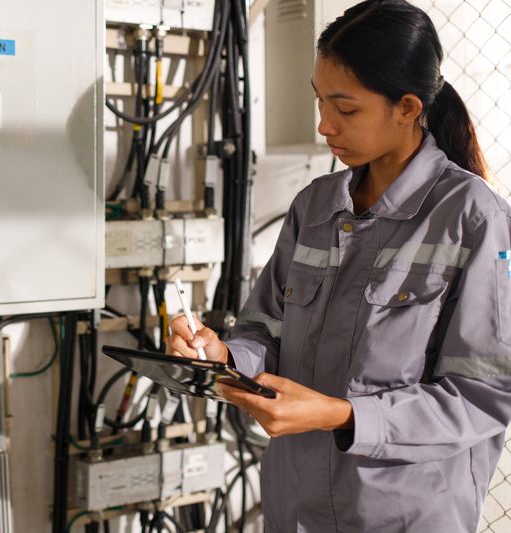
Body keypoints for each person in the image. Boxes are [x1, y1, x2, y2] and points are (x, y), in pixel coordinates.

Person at [168, 1, 511, 531]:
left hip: (402, 514)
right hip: (296, 506)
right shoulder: (316, 206)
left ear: (406, 107)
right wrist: (223, 353)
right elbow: (265, 331)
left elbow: (483, 396)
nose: (324, 125)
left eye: (345, 109)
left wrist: (344, 416)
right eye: (319, 102)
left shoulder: (471, 218)